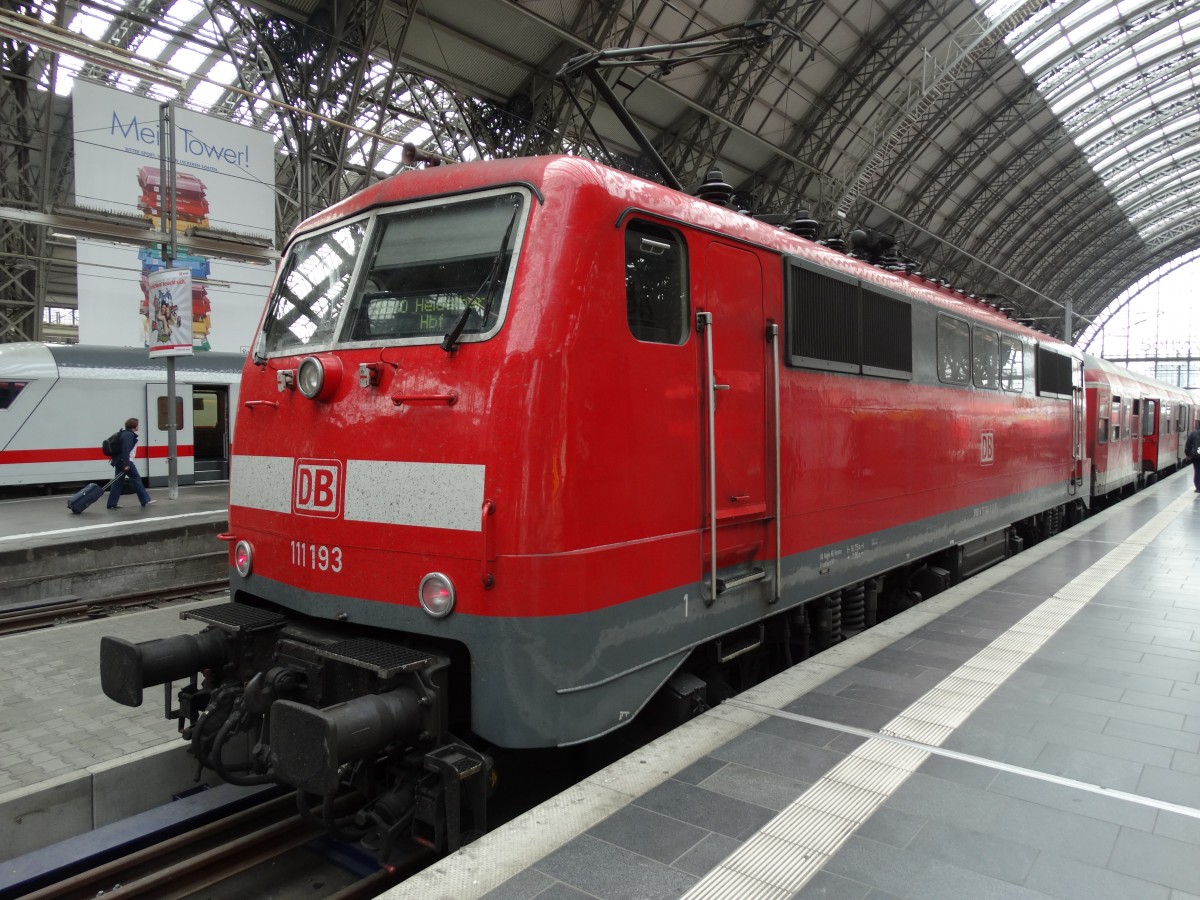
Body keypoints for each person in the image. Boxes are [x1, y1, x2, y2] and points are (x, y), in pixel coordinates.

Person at [107, 417, 155, 509]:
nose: (138, 427)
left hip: (119, 461)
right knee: (136, 478)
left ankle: (111, 503)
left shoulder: (123, 433)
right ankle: (145, 500)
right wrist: (126, 464)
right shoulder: (129, 435)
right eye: (138, 425)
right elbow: (126, 450)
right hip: (125, 461)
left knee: (117, 482)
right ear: (135, 426)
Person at [1186, 423, 1200, 494]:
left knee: (1197, 471)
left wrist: (1188, 454)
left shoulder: (1193, 434)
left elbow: (1188, 445)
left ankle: (1198, 488)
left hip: (1196, 456)